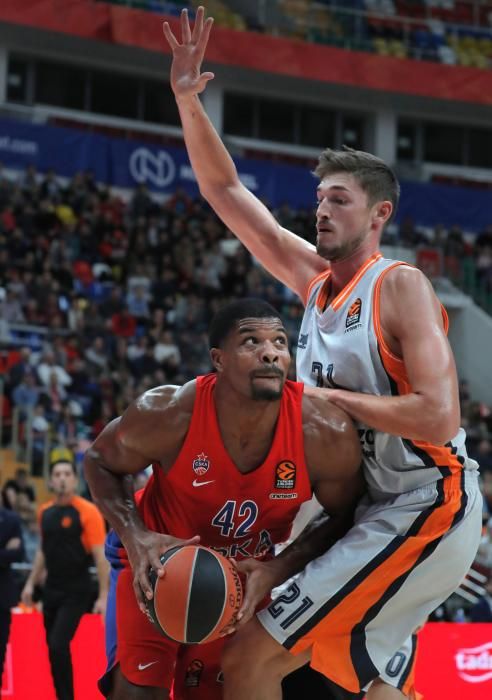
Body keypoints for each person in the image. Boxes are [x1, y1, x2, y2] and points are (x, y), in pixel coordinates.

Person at [162, 7, 483, 699]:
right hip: (368, 510)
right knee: (349, 686)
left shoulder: (401, 287)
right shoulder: (313, 285)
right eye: (319, 199)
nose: (322, 210)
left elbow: (436, 416)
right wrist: (190, 101)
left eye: (339, 200)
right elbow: (225, 192)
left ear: (378, 216)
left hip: (426, 502)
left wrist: (323, 399)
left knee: (250, 660)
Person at [83, 298, 363, 699]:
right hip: (157, 566)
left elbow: (345, 514)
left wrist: (279, 568)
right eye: (251, 341)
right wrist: (135, 536)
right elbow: (100, 460)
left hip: (242, 579)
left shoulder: (322, 431)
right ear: (218, 359)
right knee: (138, 694)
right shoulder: (169, 412)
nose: (270, 351)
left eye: (280, 342)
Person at [21, 459, 108, 700]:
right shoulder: (44, 512)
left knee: (59, 644)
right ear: (50, 481)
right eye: (57, 474)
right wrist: (30, 582)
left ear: (74, 479)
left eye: (66, 474)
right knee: (53, 649)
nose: (61, 478)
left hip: (76, 590)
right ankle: (63, 695)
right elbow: (41, 551)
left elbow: (101, 558)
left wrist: (103, 595)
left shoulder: (88, 512)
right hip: (51, 589)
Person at [0, 495, 24, 683]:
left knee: (0, 652)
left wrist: (9, 553)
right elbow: (10, 553)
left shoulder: (11, 519)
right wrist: (4, 551)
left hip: (3, 596)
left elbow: (18, 553)